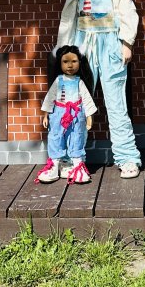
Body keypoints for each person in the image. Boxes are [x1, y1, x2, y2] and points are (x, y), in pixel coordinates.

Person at [54, 0, 143, 179]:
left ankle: (127, 157)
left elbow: (128, 12)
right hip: (82, 45)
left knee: (116, 103)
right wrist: (64, 48)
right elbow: (68, 16)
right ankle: (72, 157)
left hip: (110, 44)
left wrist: (127, 42)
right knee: (75, 101)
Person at [36, 45, 96, 184]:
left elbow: (86, 99)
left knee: (76, 137)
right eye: (65, 61)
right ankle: (54, 166)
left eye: (74, 61)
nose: (70, 65)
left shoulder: (79, 82)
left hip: (76, 115)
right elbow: (50, 97)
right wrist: (46, 115)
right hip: (58, 115)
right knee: (55, 137)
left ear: (79, 63)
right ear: (60, 63)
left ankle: (77, 167)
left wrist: (89, 116)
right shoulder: (58, 81)